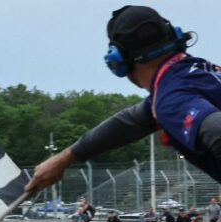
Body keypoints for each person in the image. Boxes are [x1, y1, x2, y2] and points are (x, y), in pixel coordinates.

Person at [26, 6, 221, 196]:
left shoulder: (170, 97)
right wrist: (64, 158)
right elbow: (130, 122)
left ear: (117, 60)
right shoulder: (197, 73)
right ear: (175, 37)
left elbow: (217, 130)